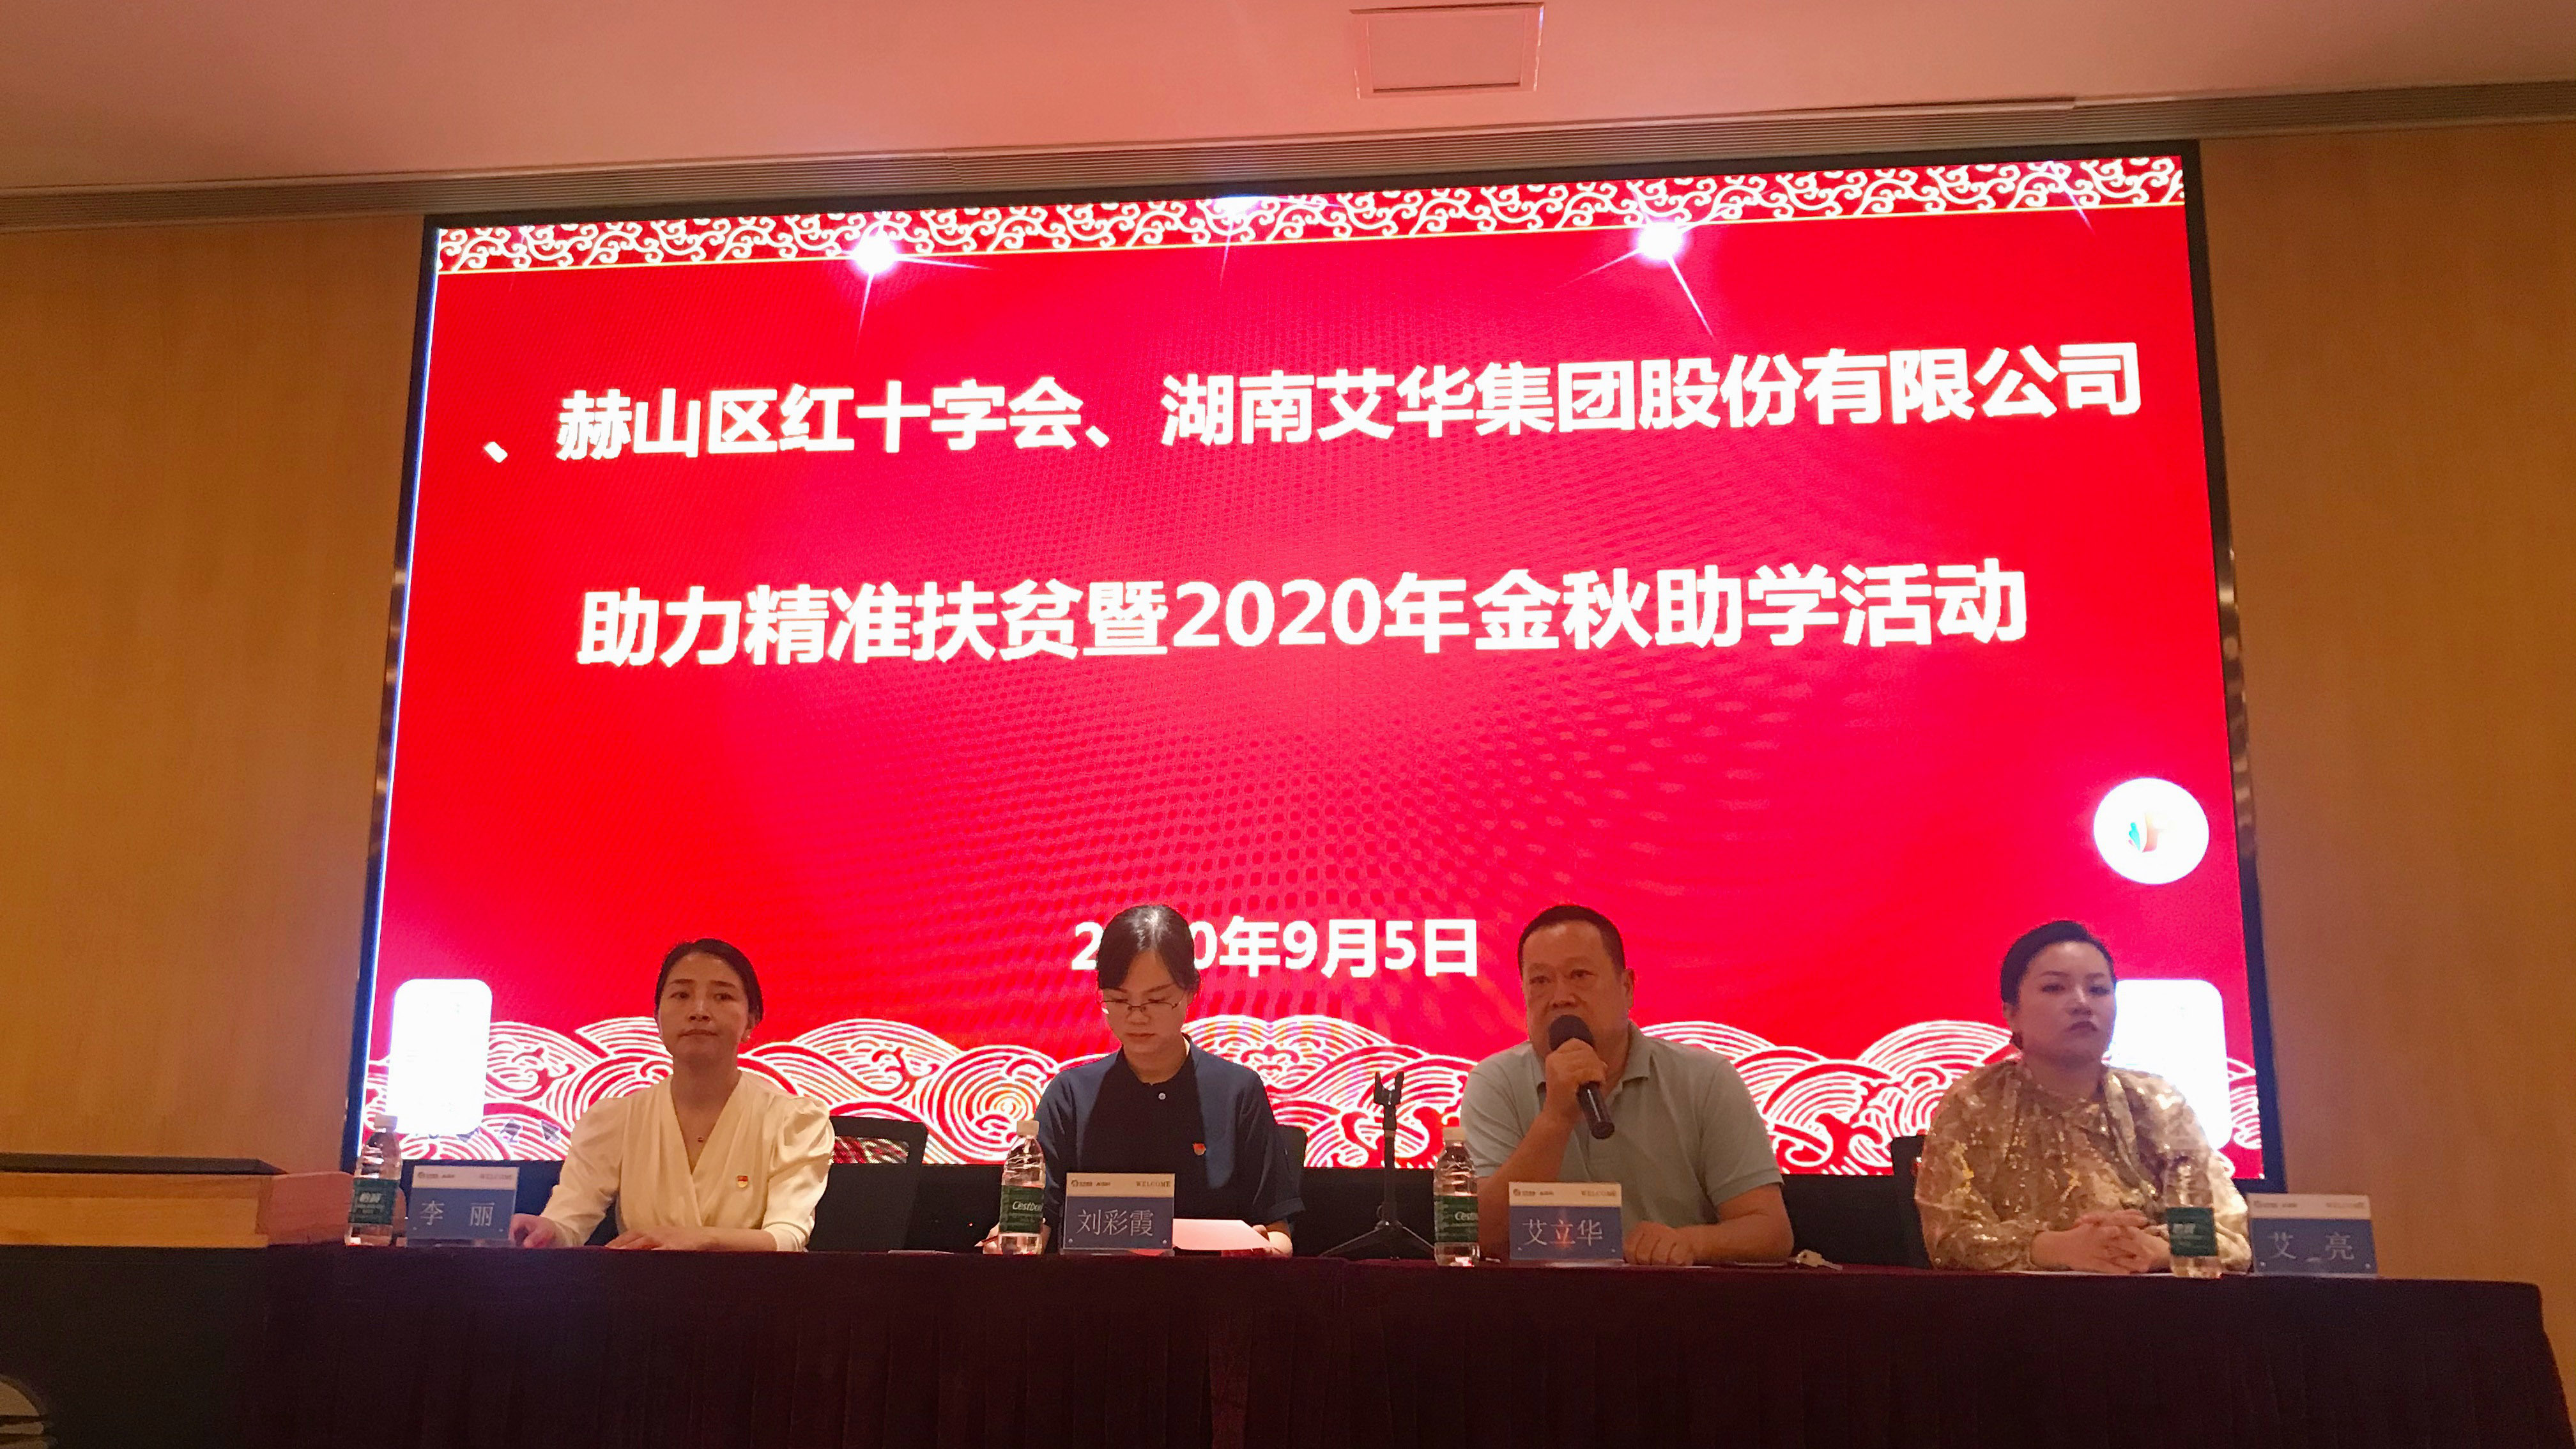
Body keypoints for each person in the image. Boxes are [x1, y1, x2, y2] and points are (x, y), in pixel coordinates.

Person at [1913, 920, 2251, 1273]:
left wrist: (2157, 1249)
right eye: (2055, 988)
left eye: (2098, 990)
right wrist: (2057, 1248)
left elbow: (2230, 1236)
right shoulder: (1975, 1102)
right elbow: (1949, 1237)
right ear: (2012, 1014)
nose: (2082, 1003)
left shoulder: (2158, 1103)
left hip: (2151, 1299)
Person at [1462, 904, 1792, 1265]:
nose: (1560, 997)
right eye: (1540, 981)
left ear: (1627, 988)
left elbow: (1770, 1231)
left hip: (1670, 1295)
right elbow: (1479, 1237)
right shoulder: (1495, 1082)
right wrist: (1555, 1119)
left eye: (1579, 975)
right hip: (1540, 1298)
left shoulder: (1705, 1079)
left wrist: (1689, 1243)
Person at [510, 939, 831, 1251]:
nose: (699, 1011)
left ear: (751, 1021)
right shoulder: (616, 1120)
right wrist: (546, 1231)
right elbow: (567, 1225)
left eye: (722, 996)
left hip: (757, 1287)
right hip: (645, 1286)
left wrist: (701, 1240)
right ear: (657, 1019)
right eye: (681, 995)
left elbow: (787, 1238)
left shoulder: (793, 1120)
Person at [1020, 904, 1300, 1255]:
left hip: (1213, 1287)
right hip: (1093, 1287)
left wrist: (1267, 1252)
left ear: (1191, 991)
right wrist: (1009, 1239)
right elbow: (1034, 1224)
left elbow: (1278, 1231)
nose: (1137, 1017)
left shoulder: (1237, 1092)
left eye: (1155, 1000)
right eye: (1119, 1000)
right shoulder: (1071, 1095)